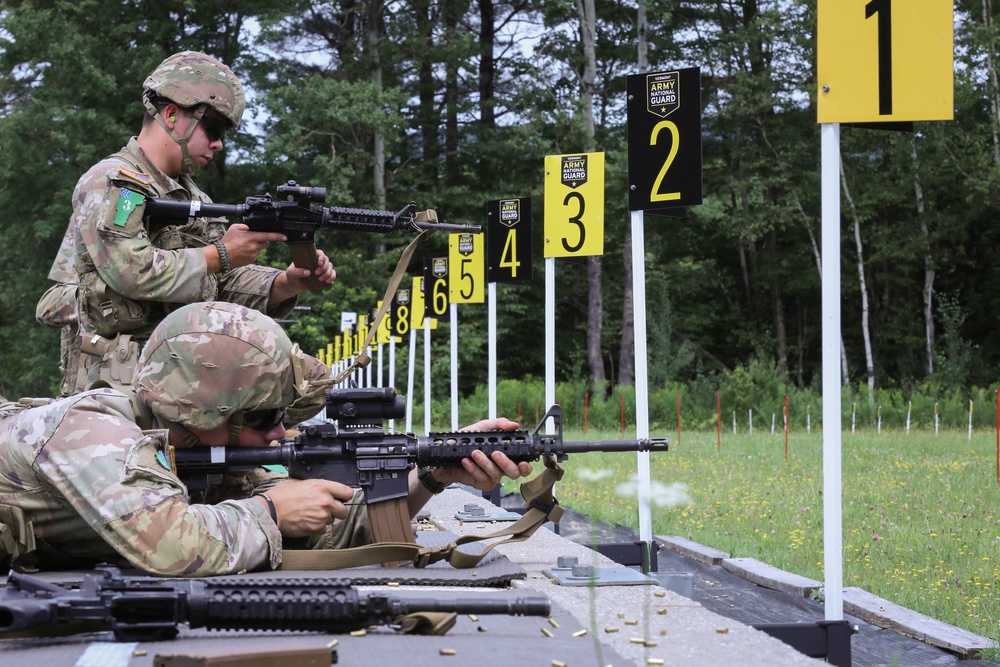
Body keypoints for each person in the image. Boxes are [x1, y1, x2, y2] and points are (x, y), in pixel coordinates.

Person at [0, 301, 530, 576]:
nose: (281, 430)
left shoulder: (197, 448)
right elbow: (174, 548)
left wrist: (432, 472)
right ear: (207, 409)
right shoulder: (92, 430)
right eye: (267, 414)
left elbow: (328, 537)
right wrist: (270, 511)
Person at [54, 50, 334, 391]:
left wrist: (287, 283)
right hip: (117, 383)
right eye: (213, 128)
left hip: (179, 369)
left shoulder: (195, 199)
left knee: (309, 383)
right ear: (171, 114)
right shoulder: (114, 183)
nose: (217, 144)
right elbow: (129, 270)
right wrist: (220, 254)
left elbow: (220, 284)